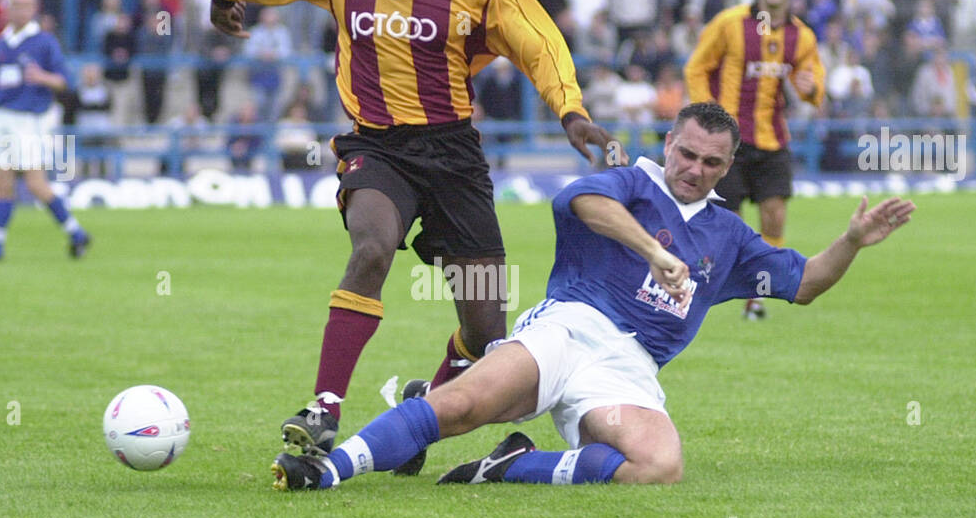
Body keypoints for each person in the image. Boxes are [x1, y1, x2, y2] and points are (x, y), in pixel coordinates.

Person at [270, 102, 915, 490]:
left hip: (628, 369)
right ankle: (329, 471)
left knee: (660, 466)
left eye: (710, 164)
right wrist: (656, 251)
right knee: (463, 404)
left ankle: (510, 467)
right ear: (668, 144)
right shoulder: (631, 181)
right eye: (686, 154)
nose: (693, 170)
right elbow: (579, 201)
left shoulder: (731, 235)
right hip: (569, 328)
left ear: (727, 167)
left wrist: (852, 241)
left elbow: (802, 283)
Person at [210, 0, 616, 473]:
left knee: (485, 334)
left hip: (453, 156)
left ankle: (420, 411)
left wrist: (571, 111)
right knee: (371, 247)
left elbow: (540, 42)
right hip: (375, 146)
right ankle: (324, 409)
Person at [684, 0, 824, 320]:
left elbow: (814, 85)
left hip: (773, 138)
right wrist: (709, 116)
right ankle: (709, 287)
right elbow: (697, 67)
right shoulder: (729, 23)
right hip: (730, 143)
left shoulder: (802, 36)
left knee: (775, 216)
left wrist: (809, 89)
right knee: (726, 222)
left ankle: (758, 296)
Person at [0, 0, 90, 261]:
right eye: (16, 5)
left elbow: (66, 81)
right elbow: (3, 79)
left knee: (36, 184)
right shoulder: (2, 40)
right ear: (8, 8)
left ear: (34, 9)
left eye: (26, 6)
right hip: (4, 116)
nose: (21, 11)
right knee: (2, 181)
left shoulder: (44, 41)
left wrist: (43, 78)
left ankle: (76, 232)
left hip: (30, 119)